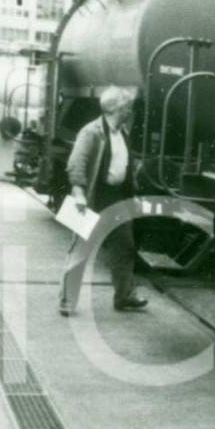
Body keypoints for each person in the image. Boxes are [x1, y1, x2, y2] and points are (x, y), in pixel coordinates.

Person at [58, 86, 148, 317]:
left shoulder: (121, 133)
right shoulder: (92, 132)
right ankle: (67, 300)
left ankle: (125, 296)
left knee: (125, 247)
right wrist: (79, 194)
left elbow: (124, 164)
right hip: (93, 197)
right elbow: (76, 163)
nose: (130, 111)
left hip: (118, 197)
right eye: (127, 107)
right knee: (80, 249)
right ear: (115, 109)